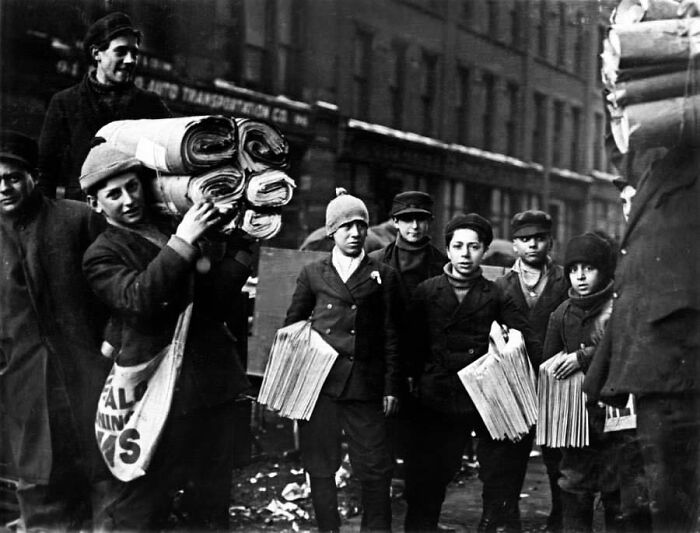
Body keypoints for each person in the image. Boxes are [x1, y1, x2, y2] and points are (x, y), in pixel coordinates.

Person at [80, 140, 253, 530]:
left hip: (210, 389)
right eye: (113, 194)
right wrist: (183, 241)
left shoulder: (169, 228)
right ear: (95, 204)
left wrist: (243, 247)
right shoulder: (102, 253)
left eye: (133, 187)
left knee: (210, 508)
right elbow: (140, 301)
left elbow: (209, 304)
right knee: (143, 508)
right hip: (158, 399)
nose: (128, 200)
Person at [403, 213, 542, 533]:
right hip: (437, 395)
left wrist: (529, 366)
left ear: (484, 251)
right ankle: (422, 527)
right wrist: (415, 382)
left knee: (498, 466)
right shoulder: (427, 292)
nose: (465, 254)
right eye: (458, 246)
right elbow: (409, 343)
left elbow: (526, 338)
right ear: (448, 250)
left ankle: (493, 524)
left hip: (484, 396)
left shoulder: (497, 294)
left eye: (474, 247)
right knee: (433, 469)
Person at [0, 130, 111, 530]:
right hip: (23, 381)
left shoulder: (76, 219)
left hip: (87, 372)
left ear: (33, 176)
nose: (3, 187)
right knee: (37, 480)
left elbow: (114, 289)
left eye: (12, 176)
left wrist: (110, 344)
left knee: (102, 475)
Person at [284, 190, 401, 533]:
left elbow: (393, 336)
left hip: (365, 387)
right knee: (320, 468)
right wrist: (293, 386)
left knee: (375, 468)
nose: (355, 233)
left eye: (360, 225)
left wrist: (392, 387)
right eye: (346, 226)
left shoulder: (384, 275)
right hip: (320, 389)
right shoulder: (313, 273)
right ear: (331, 232)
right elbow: (292, 329)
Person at [38, 11, 170, 200]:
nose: (130, 60)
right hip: (82, 213)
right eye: (121, 52)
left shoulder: (150, 104)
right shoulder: (65, 102)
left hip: (133, 210)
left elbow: (169, 157)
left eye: (134, 53)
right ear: (96, 53)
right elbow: (46, 171)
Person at [495, 210, 569, 533]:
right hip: (517, 378)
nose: (533, 245)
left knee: (557, 452)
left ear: (550, 242)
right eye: (525, 240)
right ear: (515, 246)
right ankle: (509, 518)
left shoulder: (564, 280)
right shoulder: (502, 284)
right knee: (512, 452)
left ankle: (560, 517)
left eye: (539, 238)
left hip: (556, 377)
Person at [542, 233, 622, 533]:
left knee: (619, 493)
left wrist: (583, 357)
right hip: (576, 421)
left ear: (604, 270)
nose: (580, 277)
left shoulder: (619, 309)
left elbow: (628, 348)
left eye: (589, 268)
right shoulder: (562, 315)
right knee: (575, 488)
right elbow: (548, 366)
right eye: (574, 270)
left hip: (616, 419)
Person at [368, 191, 447, 474]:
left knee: (424, 439)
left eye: (421, 220)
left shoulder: (443, 265)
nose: (414, 227)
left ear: (430, 223)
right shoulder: (376, 262)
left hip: (429, 361)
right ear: (394, 222)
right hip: (388, 360)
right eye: (407, 219)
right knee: (385, 433)